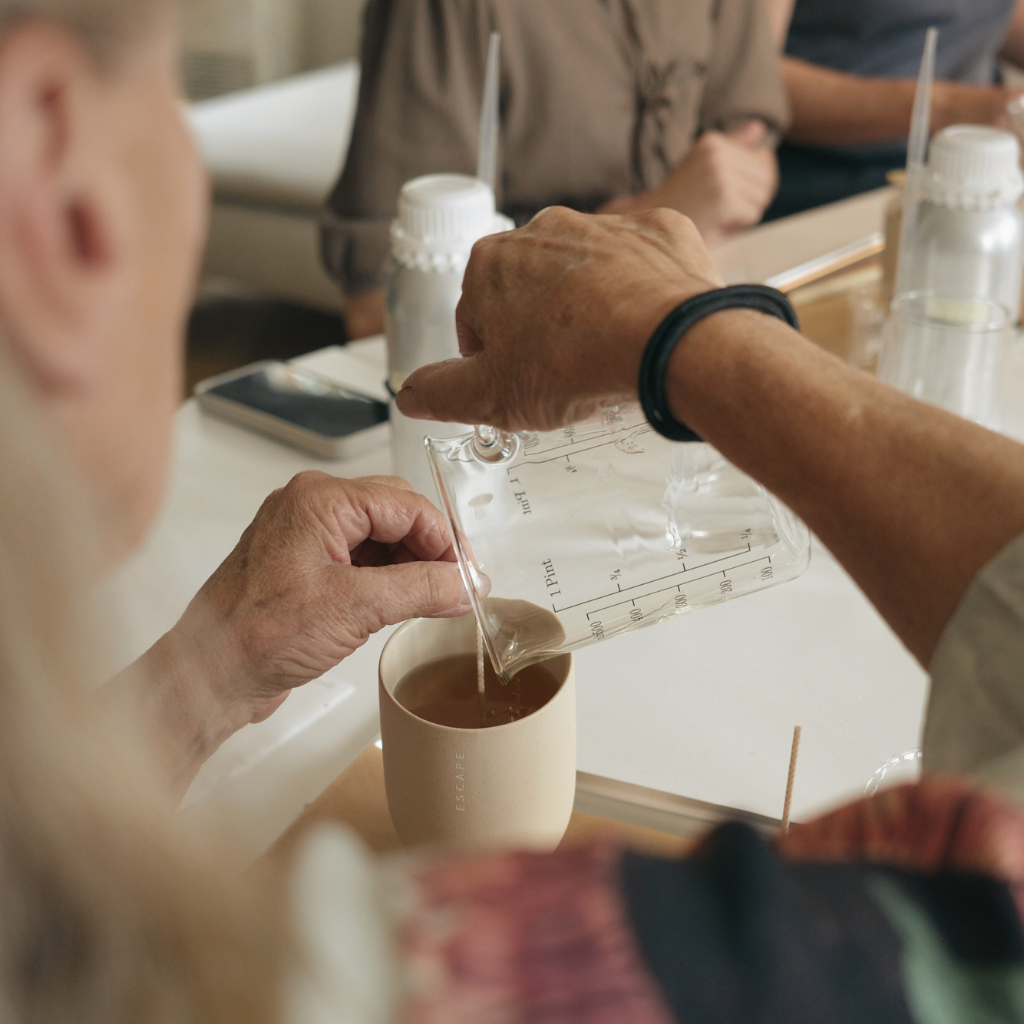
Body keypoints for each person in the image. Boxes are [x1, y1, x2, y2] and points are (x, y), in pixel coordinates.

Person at [6, 1, 1024, 1021]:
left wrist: (214, 662)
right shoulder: (479, 971)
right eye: (171, 112)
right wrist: (695, 341)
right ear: (60, 180)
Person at [322, 0, 788, 340]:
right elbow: (377, 309)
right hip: (526, 400)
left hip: (692, 323)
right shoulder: (438, 12)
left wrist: (724, 184)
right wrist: (649, 219)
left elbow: (747, 155)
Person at [764, 0, 1024, 219]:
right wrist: (948, 108)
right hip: (831, 196)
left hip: (980, 182)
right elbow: (751, 78)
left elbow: (992, 15)